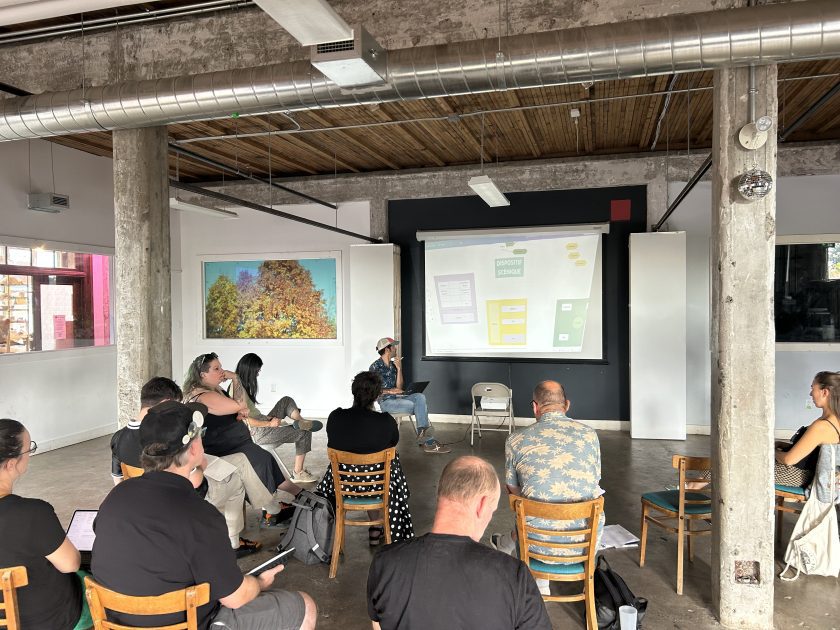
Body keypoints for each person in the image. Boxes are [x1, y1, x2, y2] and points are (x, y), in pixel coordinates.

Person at [92, 401, 317, 630]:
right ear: (192, 448)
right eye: (201, 435)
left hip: (115, 622)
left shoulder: (115, 497)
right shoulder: (200, 515)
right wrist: (258, 582)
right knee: (305, 606)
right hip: (187, 624)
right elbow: (235, 598)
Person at [367, 455, 551, 630]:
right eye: (492, 511)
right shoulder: (514, 576)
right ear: (482, 505)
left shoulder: (385, 562)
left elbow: (378, 626)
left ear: (441, 494)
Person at [110, 376, 275, 557]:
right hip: (184, 499)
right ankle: (237, 539)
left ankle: (270, 508)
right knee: (236, 478)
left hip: (148, 498)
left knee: (238, 462)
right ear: (165, 404)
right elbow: (195, 481)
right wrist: (200, 463)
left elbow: (118, 479)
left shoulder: (118, 438)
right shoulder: (166, 437)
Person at [491, 380, 604, 594]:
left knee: (523, 504)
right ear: (567, 404)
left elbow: (513, 491)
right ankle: (509, 545)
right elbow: (594, 481)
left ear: (535, 407)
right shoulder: (590, 435)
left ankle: (539, 581)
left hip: (535, 545)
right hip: (584, 544)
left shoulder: (515, 440)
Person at [184, 352, 301, 527]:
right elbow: (241, 406)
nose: (222, 372)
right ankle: (285, 502)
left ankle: (275, 507)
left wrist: (237, 410)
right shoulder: (204, 396)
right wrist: (236, 379)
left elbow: (238, 412)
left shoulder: (213, 390)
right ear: (203, 374)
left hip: (235, 444)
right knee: (263, 461)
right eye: (216, 369)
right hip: (226, 449)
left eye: (221, 367)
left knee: (263, 461)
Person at [0, 419, 92, 629]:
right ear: (12, 464)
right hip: (48, 620)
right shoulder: (34, 513)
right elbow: (70, 564)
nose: (30, 455)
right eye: (28, 449)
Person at [315, 371, 414, 545]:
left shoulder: (335, 418)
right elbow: (393, 442)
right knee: (390, 461)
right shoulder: (386, 422)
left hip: (344, 488)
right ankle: (379, 529)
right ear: (376, 396)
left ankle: (359, 531)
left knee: (352, 466)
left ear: (353, 392)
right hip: (378, 488)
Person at [231, 352, 323, 484]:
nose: (258, 373)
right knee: (304, 433)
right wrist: (269, 424)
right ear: (249, 370)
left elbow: (250, 413)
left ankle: (301, 421)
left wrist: (266, 418)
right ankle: (298, 473)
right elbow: (243, 420)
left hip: (261, 421)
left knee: (286, 401)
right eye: (257, 371)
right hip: (258, 432)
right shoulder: (237, 389)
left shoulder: (240, 385)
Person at [369, 337, 449, 454]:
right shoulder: (374, 367)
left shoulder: (393, 365)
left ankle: (423, 435)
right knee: (419, 406)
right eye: (394, 347)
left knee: (420, 397)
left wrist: (399, 369)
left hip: (399, 398)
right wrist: (389, 391)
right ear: (387, 349)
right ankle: (428, 441)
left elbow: (400, 387)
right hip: (387, 402)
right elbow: (371, 390)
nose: (396, 349)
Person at [775, 371, 840, 486]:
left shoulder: (823, 425)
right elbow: (811, 451)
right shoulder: (833, 421)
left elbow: (788, 460)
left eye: (812, 388)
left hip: (798, 475)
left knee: (752, 465)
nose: (810, 393)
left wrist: (770, 452)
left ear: (824, 392)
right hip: (804, 473)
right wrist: (781, 444)